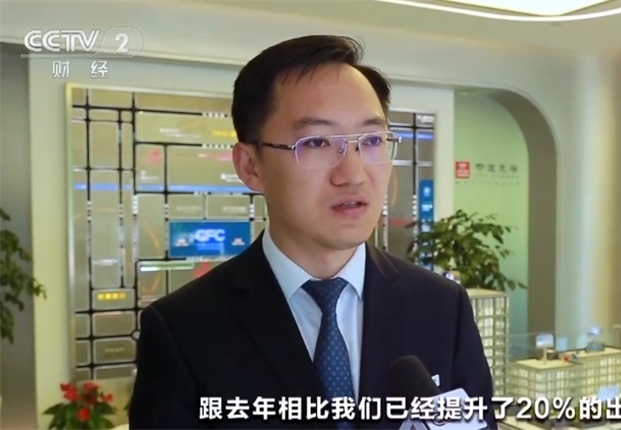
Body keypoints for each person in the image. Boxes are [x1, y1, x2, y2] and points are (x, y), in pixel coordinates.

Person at [129, 35, 496, 430]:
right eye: (317, 142)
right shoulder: (183, 329)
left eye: (372, 140)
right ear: (251, 166)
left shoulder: (442, 307)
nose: (353, 174)